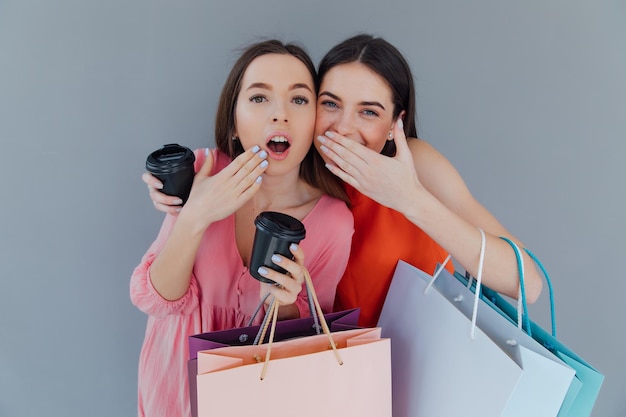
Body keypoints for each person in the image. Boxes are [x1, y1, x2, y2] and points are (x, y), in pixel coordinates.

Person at [143, 34, 543, 328]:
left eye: (368, 112)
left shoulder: (415, 164)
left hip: (421, 366)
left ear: (394, 124)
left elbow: (529, 285)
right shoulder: (293, 167)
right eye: (330, 104)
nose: (344, 129)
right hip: (332, 374)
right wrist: (175, 189)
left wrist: (411, 200)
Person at [130, 40, 354, 417]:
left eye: (298, 100)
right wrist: (196, 215)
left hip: (259, 400)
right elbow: (156, 299)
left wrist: (284, 303)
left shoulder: (333, 222)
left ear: (315, 118)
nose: (280, 114)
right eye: (259, 98)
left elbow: (307, 346)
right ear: (233, 121)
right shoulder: (204, 172)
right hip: (169, 392)